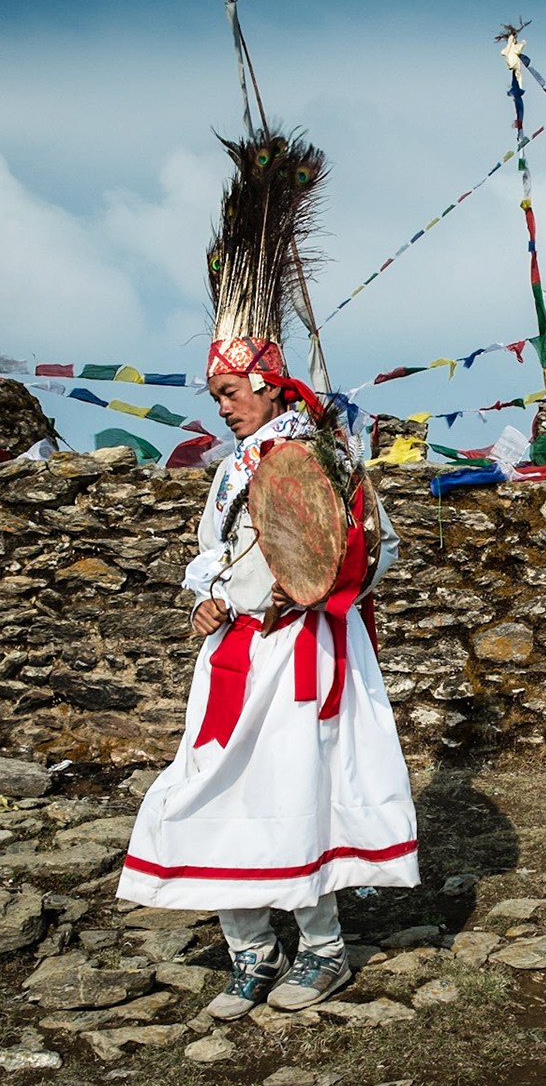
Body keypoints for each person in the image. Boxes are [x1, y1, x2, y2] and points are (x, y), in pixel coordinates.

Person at [117, 336, 419, 1016]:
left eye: (232, 393)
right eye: (217, 397)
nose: (224, 408)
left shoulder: (326, 457)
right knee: (212, 791)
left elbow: (379, 548)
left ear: (274, 385)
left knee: (295, 795)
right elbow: (211, 554)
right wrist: (206, 601)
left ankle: (322, 950)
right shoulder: (229, 472)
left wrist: (316, 587)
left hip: (301, 654)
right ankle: (251, 952)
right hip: (234, 657)